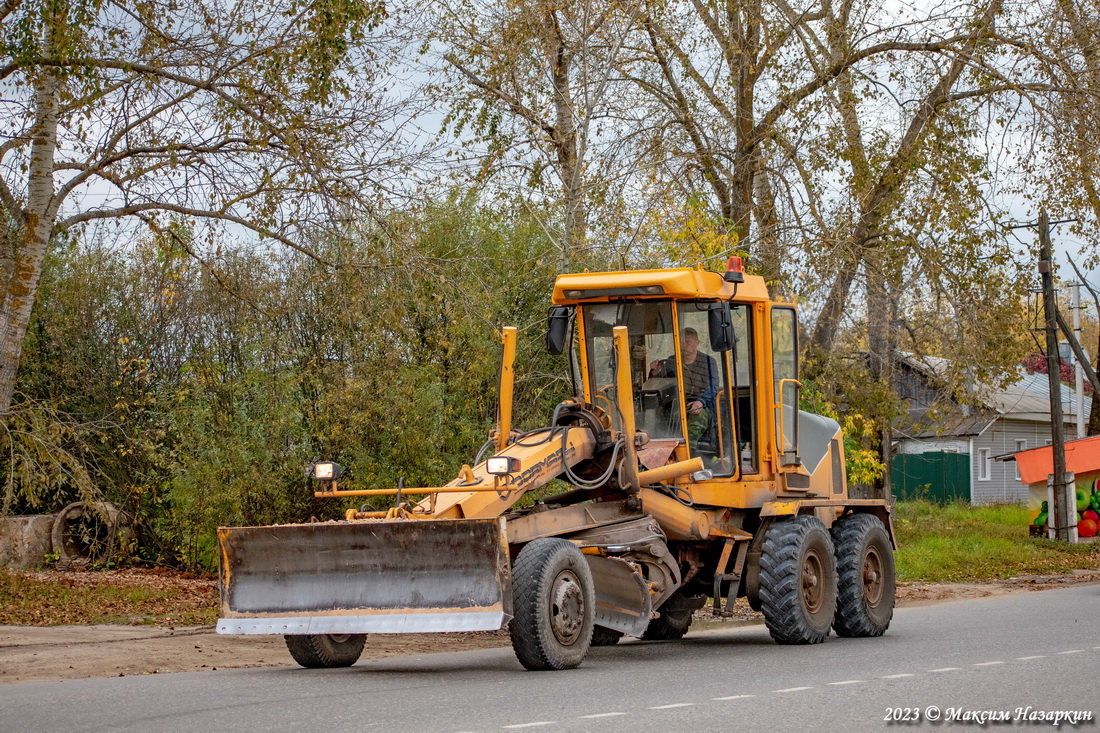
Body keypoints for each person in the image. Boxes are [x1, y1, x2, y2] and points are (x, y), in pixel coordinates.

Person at [648, 327, 719, 448]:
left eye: (688, 341)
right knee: (655, 415)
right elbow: (658, 383)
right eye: (681, 341)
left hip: (702, 404)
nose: (684, 344)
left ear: (697, 342)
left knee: (697, 418)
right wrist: (654, 372)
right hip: (674, 404)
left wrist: (700, 402)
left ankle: (688, 453)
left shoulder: (708, 361)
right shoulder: (672, 361)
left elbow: (713, 386)